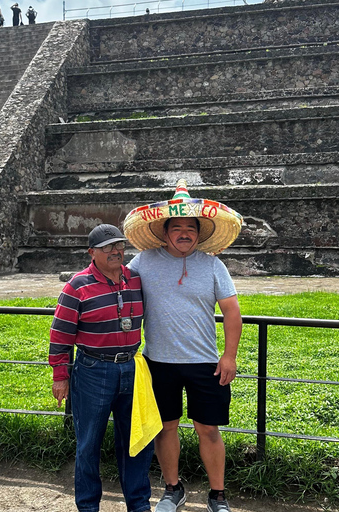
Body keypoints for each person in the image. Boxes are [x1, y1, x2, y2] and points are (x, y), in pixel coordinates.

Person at [123, 180, 244, 512]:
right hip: (158, 361)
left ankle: (218, 494)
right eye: (176, 228)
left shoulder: (213, 265)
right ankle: (172, 488)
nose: (184, 233)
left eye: (190, 228)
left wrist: (229, 356)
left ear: (199, 232)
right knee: (166, 427)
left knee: (209, 428)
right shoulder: (143, 262)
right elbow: (116, 282)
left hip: (205, 362)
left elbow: (232, 313)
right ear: (165, 233)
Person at [49, 224, 154, 512]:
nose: (116, 251)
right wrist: (61, 376)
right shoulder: (77, 286)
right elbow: (60, 334)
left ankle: (139, 504)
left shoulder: (135, 280)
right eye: (108, 247)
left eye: (119, 246)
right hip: (93, 371)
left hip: (132, 368)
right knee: (88, 444)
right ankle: (88, 507)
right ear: (91, 252)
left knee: (137, 441)